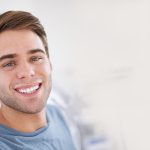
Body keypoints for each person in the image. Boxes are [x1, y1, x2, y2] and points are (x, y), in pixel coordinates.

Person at [0, 10, 76, 150]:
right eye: (9, 63)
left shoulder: (57, 115)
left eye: (36, 58)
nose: (27, 72)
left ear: (49, 63)